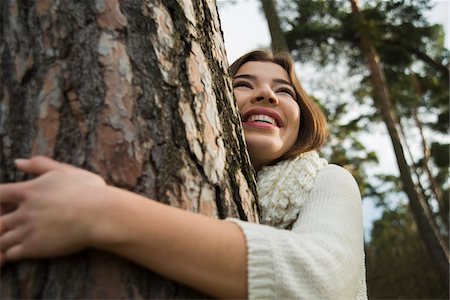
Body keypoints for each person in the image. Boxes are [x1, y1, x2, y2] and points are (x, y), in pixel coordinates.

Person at [0, 50, 367, 299]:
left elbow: (322, 282)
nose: (267, 94)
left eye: (284, 90)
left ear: (301, 117)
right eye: (243, 84)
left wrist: (98, 212)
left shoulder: (330, 181)